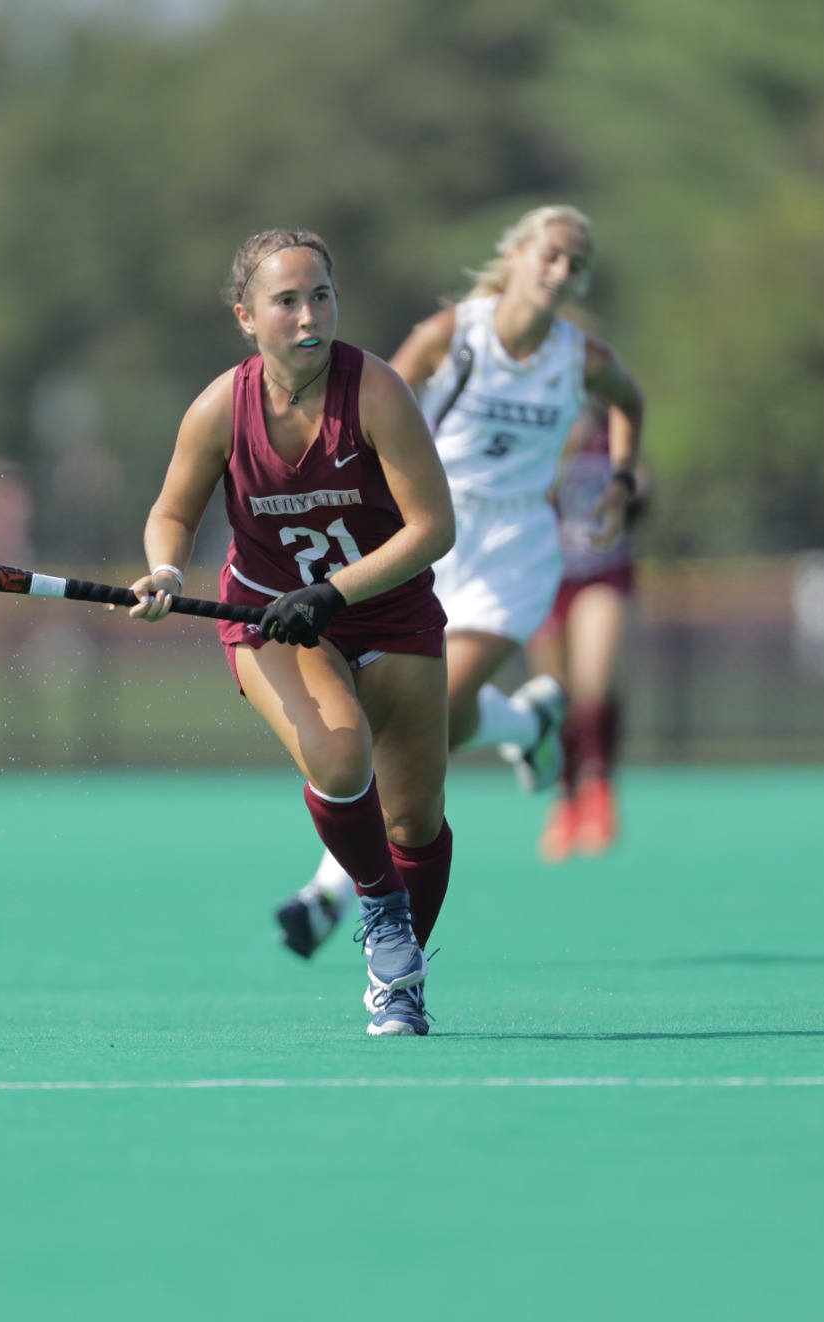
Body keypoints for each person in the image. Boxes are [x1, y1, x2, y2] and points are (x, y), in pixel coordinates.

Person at [275, 203, 644, 958]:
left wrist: (623, 480)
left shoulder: (580, 357)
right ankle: (531, 725)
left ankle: (328, 891)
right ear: (515, 257)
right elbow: (365, 405)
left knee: (426, 716)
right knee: (430, 719)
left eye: (576, 264)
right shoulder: (454, 334)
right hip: (428, 534)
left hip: (516, 548)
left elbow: (628, 402)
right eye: (550, 255)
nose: (560, 272)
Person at [126, 228, 457, 1036]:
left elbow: (434, 526)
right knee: (340, 752)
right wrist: (166, 571)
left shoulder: (375, 392)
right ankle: (382, 918)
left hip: (389, 608)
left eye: (321, 296)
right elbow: (172, 512)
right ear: (247, 316)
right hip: (274, 617)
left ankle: (401, 980)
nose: (309, 316)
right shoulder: (219, 409)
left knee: (414, 822)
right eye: (286, 301)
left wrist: (336, 590)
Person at [529, 404, 641, 861]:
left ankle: (599, 787)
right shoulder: (535, 433)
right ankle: (566, 794)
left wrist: (634, 485)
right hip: (544, 578)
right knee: (557, 694)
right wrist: (562, 452)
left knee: (593, 681)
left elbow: (640, 492)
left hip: (601, 573)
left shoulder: (614, 432)